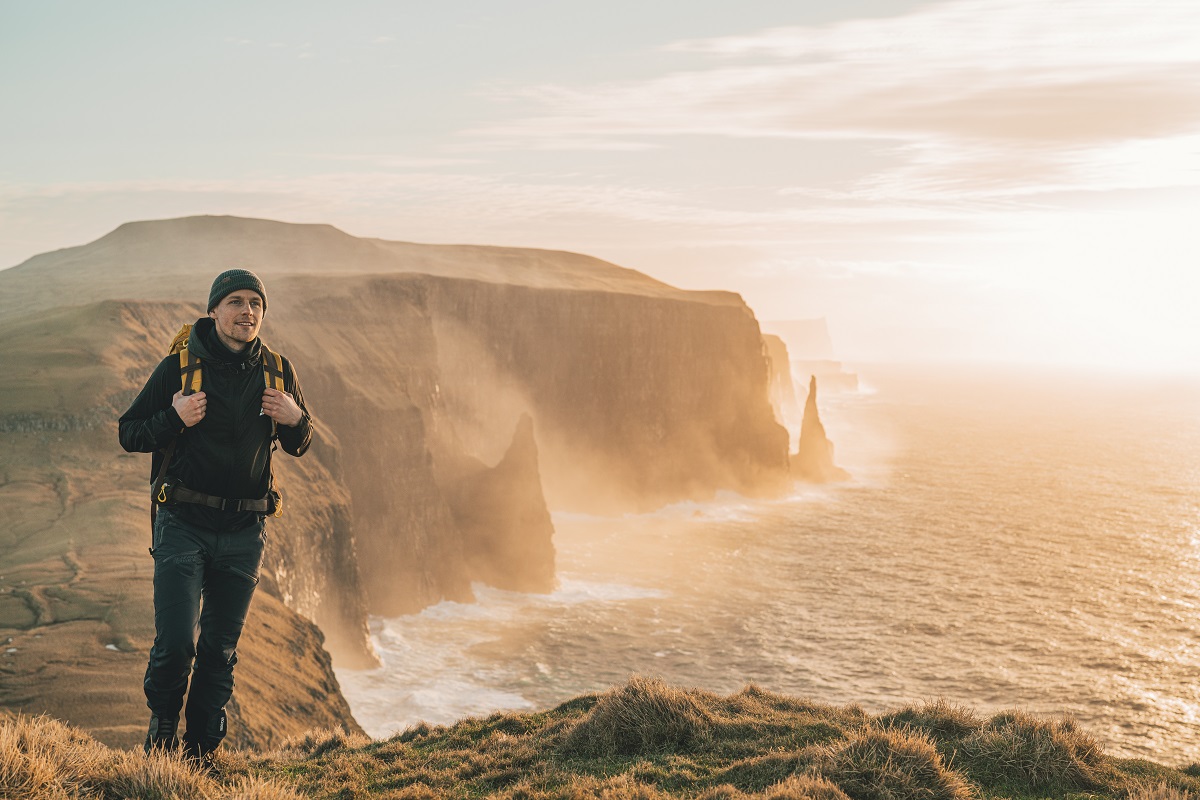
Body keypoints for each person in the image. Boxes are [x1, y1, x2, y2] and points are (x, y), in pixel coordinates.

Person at [118, 268, 313, 768]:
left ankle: (202, 753)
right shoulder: (179, 369)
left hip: (246, 533)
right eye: (235, 302)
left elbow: (299, 443)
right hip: (183, 523)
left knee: (219, 652)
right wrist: (172, 418)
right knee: (177, 643)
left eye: (255, 303)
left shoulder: (277, 370)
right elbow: (130, 432)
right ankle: (162, 736)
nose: (247, 311)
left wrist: (297, 419)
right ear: (213, 311)